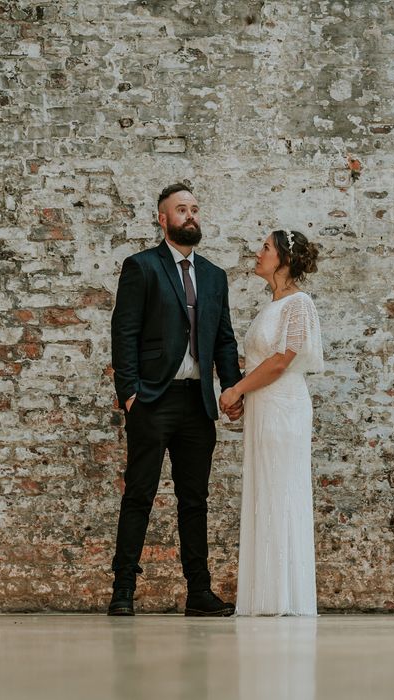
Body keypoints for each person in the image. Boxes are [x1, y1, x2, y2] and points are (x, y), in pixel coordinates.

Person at [108, 183, 244, 617]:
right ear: (162, 219)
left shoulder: (214, 276)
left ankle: (198, 593)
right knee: (139, 495)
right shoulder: (141, 267)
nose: (190, 216)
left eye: (194, 209)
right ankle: (123, 590)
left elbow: (224, 338)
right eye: (181, 210)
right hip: (152, 399)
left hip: (197, 404)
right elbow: (123, 333)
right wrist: (129, 394)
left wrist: (231, 387)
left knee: (194, 500)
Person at [219, 229, 323, 616]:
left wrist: (235, 391)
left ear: (283, 259)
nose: (257, 252)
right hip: (262, 407)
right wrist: (244, 394)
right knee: (264, 492)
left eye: (265, 247)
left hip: (283, 408)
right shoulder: (271, 307)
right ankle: (265, 595)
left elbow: (281, 362)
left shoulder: (300, 304)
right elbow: (261, 362)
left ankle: (286, 597)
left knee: (283, 491)